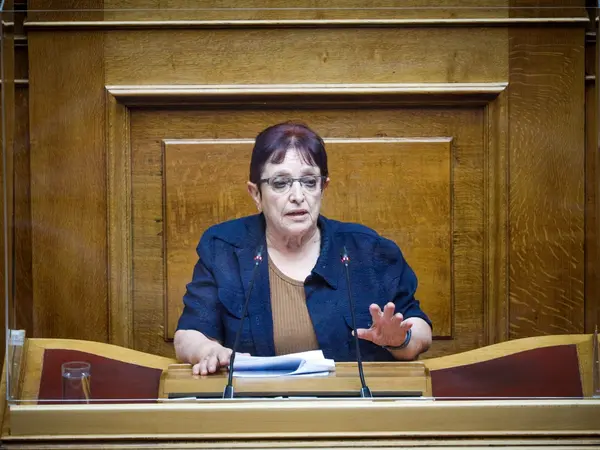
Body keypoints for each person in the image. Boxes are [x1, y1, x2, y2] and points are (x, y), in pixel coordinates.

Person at [174, 122, 432, 375]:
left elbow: (420, 329)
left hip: (353, 400)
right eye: (280, 183)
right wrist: (207, 350)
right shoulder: (223, 248)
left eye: (309, 181)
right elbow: (189, 334)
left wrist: (401, 340)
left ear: (323, 187)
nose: (298, 196)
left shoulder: (368, 250)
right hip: (254, 400)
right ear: (256, 194)